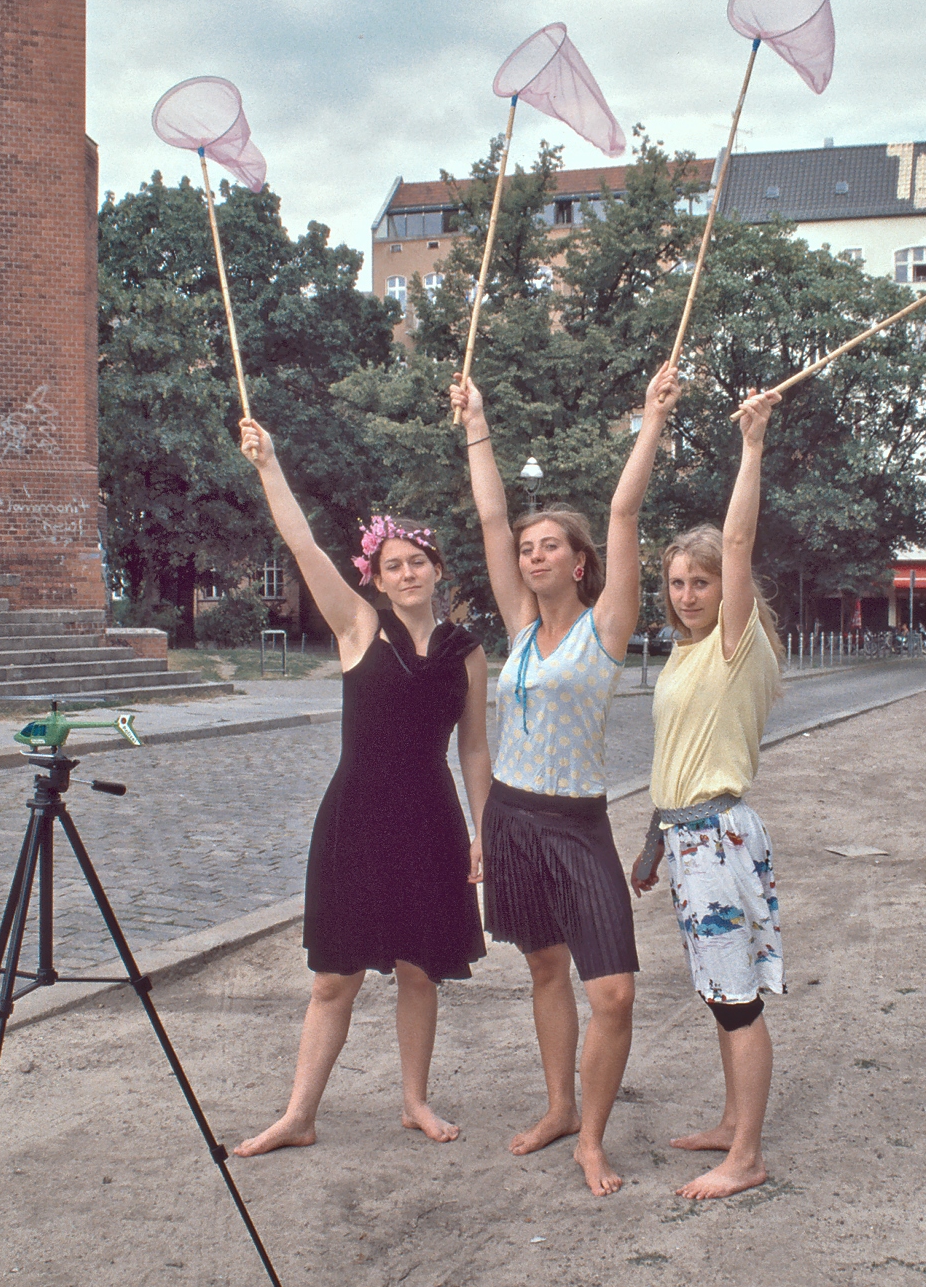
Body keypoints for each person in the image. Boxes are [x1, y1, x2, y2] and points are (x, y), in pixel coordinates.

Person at [450, 361, 680, 1197]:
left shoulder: (604, 630)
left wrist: (650, 419)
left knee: (612, 991)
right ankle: (558, 1108)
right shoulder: (516, 629)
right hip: (511, 816)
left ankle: (593, 1136)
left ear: (580, 564)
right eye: (526, 549)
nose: (531, 552)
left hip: (578, 825)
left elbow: (622, 511)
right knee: (544, 969)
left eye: (549, 546)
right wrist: (474, 418)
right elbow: (488, 512)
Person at [232, 416, 490, 1155]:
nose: (407, 573)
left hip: (431, 821)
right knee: (333, 979)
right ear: (374, 577)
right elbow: (302, 547)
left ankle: (414, 1100)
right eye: (394, 565)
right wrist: (269, 463)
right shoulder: (357, 627)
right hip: (356, 817)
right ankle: (299, 1114)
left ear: (438, 570)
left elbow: (473, 748)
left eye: (419, 562)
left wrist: (483, 829)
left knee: (418, 970)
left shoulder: (465, 652)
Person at [630, 388, 785, 1200]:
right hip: (686, 840)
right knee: (719, 992)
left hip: (719, 839)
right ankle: (732, 1123)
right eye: (677, 582)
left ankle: (747, 1156)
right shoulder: (685, 653)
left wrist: (751, 446)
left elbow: (737, 537)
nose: (688, 592)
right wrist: (652, 845)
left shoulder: (733, 639)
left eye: (701, 581)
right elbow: (674, 757)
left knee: (738, 998)